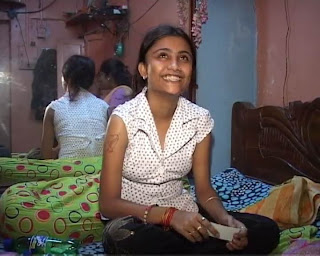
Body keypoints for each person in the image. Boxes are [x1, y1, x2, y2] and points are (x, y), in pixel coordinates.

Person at [98, 25, 280, 254]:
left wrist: (225, 221)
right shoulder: (123, 119)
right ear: (144, 69)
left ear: (191, 70)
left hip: (185, 214)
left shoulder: (199, 120)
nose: (174, 66)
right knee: (128, 239)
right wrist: (169, 217)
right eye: (163, 56)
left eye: (183, 58)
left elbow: (204, 191)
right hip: (134, 221)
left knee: (264, 229)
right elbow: (108, 203)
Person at [41, 55, 109, 159]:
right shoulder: (104, 107)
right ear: (90, 81)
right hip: (99, 171)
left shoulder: (53, 109)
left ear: (66, 78)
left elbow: (46, 157)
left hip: (69, 171)